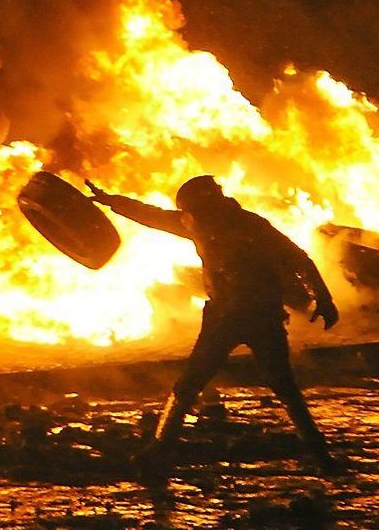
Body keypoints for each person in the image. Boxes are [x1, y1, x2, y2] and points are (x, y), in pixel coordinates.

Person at [86, 175, 340, 476]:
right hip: (227, 317)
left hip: (259, 316)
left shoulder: (249, 225)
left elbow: (299, 258)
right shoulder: (199, 223)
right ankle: (160, 450)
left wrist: (324, 298)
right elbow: (149, 214)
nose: (189, 215)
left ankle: (319, 453)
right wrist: (110, 200)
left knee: (276, 385)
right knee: (193, 383)